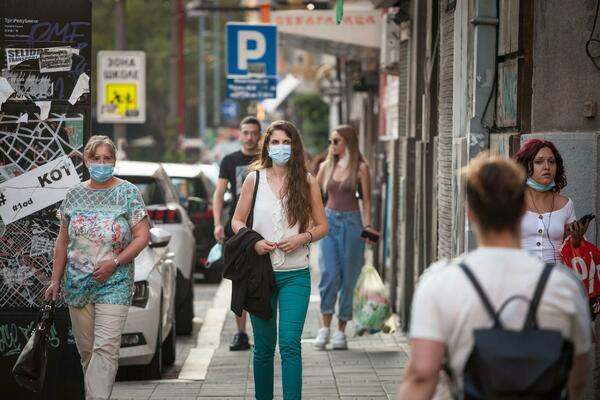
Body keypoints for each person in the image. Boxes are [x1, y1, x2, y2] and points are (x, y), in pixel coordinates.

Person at [397, 153, 591, 400]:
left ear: (470, 213)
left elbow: (421, 376)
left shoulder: (438, 283)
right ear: (523, 208)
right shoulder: (565, 286)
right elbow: (578, 378)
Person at [45, 135, 150, 400]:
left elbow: (142, 236)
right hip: (77, 286)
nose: (102, 164)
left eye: (107, 158)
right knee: (88, 352)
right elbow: (63, 240)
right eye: (96, 158)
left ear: (114, 160)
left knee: (106, 349)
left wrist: (115, 262)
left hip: (115, 283)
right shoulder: (74, 194)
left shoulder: (127, 192)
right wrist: (55, 280)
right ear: (87, 161)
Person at [231, 120, 328, 400]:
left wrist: (302, 238)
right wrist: (254, 241)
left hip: (295, 274)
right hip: (260, 274)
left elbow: (322, 226)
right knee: (263, 347)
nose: (281, 147)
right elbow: (237, 220)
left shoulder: (308, 181)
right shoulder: (254, 179)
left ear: (294, 146)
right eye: (275, 142)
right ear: (267, 146)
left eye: (286, 142)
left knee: (289, 344)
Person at [314, 124, 380, 350]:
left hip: (353, 224)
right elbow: (316, 198)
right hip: (330, 223)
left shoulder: (361, 168)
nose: (331, 145)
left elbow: (367, 201)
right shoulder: (325, 167)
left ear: (348, 143)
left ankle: (341, 331)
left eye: (336, 141)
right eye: (331, 141)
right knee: (329, 274)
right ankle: (325, 326)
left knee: (350, 277)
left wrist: (368, 226)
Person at [213, 116, 262, 351]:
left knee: (264, 281)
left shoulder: (267, 159)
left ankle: (263, 331)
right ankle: (241, 333)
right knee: (240, 281)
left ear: (260, 135)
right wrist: (217, 223)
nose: (250, 137)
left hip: (264, 228)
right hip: (237, 227)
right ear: (240, 135)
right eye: (246, 132)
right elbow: (219, 193)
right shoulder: (230, 161)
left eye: (254, 133)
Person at [515, 139, 590, 263]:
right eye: (539, 162)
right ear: (526, 166)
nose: (547, 167)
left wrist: (576, 239)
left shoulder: (565, 204)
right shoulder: (512, 201)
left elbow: (572, 251)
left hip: (556, 278)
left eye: (551, 162)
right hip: (520, 277)